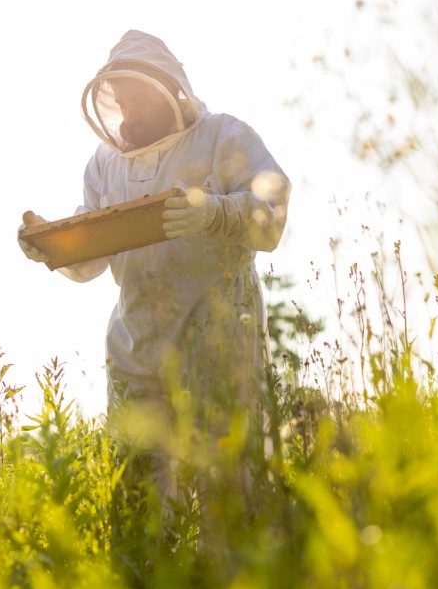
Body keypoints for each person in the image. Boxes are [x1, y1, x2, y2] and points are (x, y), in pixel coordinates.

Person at [17, 30, 290, 477]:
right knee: (139, 489)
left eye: (139, 99)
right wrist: (51, 245)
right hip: (135, 341)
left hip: (218, 334)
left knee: (224, 482)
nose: (129, 111)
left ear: (170, 91)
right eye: (122, 101)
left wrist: (215, 214)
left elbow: (272, 215)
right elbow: (91, 257)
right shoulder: (105, 163)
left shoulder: (224, 136)